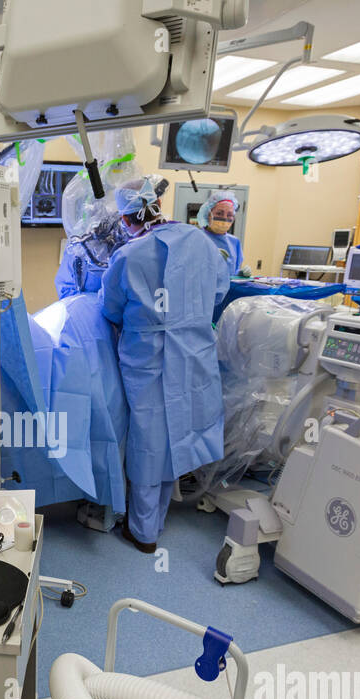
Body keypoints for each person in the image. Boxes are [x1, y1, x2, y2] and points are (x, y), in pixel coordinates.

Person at [100, 177, 231, 552]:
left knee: (148, 440)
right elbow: (220, 292)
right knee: (178, 434)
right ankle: (156, 517)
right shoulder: (203, 244)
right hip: (193, 352)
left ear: (126, 220)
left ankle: (143, 531)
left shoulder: (129, 255)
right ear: (158, 206)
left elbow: (110, 308)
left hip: (149, 358)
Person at [197, 191, 244, 277]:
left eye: (229, 215)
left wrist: (239, 274)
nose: (224, 218)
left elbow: (232, 271)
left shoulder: (234, 242)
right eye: (219, 213)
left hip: (229, 290)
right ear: (208, 214)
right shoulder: (196, 238)